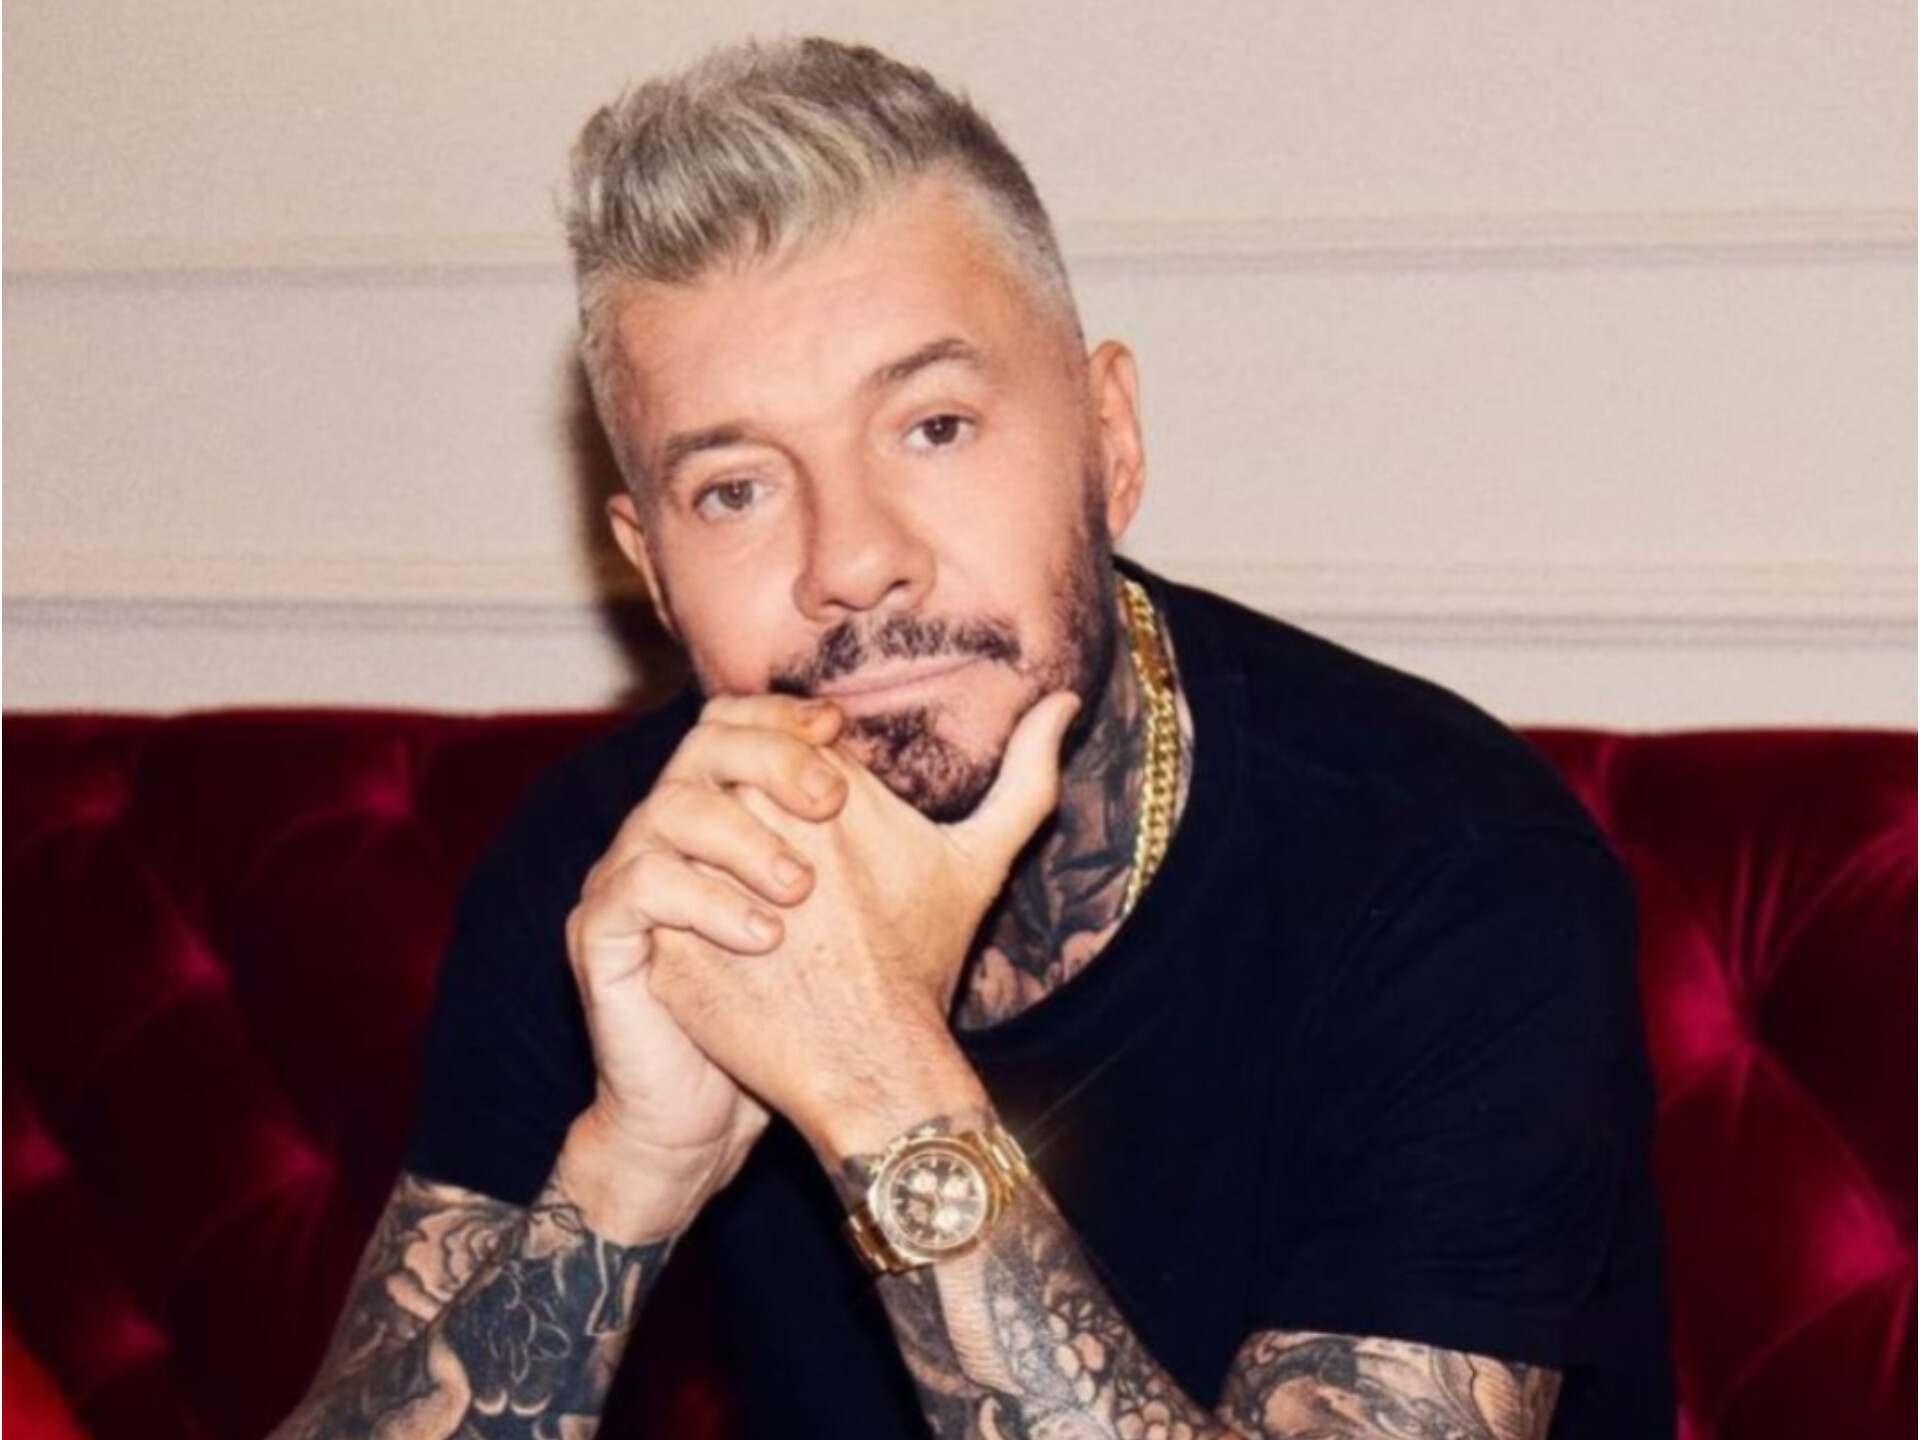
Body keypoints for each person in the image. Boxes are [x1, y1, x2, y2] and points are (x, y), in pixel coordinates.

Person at [270, 37, 1671, 1440]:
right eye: (736, 489)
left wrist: (877, 1084)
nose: (853, 561)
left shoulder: (1455, 873)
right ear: (652, 567)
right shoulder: (620, 874)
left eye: (934, 427)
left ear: (1108, 441)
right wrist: (632, 1165)